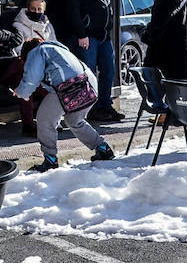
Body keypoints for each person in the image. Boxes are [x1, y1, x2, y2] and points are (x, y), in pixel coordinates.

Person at [14, 38, 115, 172]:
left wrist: (21, 92)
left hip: (71, 86)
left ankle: (50, 160)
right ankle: (103, 148)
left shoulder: (37, 51)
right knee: (75, 121)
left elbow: (32, 77)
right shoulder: (57, 49)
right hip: (89, 84)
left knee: (44, 118)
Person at [61, 0, 123, 122]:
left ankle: (105, 106)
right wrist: (81, 34)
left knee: (109, 71)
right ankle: (89, 108)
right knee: (88, 74)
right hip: (86, 36)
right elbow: (72, 10)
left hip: (103, 35)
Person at [10, 0, 54, 135]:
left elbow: (54, 45)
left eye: (39, 9)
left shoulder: (48, 26)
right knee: (26, 87)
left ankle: (49, 122)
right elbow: (19, 51)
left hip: (46, 67)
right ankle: (28, 124)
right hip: (27, 67)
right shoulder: (18, 26)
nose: (36, 11)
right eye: (33, 8)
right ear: (27, 8)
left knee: (51, 89)